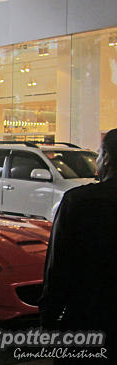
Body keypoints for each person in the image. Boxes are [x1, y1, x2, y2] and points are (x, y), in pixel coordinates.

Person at [40, 128, 117, 361]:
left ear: (108, 158)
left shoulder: (80, 202)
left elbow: (58, 266)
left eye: (99, 154)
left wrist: (49, 319)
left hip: (88, 318)